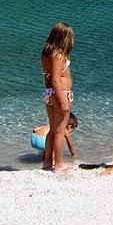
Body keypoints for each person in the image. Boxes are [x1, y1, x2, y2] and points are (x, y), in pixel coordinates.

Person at [41, 21, 75, 173]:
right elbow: (55, 79)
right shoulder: (58, 56)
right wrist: (63, 101)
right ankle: (59, 164)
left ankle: (47, 162)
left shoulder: (46, 54)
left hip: (49, 93)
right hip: (60, 93)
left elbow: (48, 78)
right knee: (60, 130)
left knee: (53, 130)